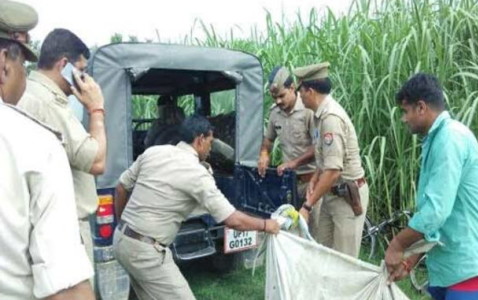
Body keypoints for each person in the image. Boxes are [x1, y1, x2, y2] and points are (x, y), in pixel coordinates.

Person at [113, 115, 280, 300]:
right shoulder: (197, 173)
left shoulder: (153, 152)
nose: (210, 148)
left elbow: (121, 188)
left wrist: (123, 222)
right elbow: (232, 220)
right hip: (146, 252)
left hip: (121, 239)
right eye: (210, 141)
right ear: (200, 139)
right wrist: (266, 225)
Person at [0, 1, 94, 299]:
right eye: (21, 65)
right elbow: (97, 161)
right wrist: (98, 108)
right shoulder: (34, 138)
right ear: (4, 62)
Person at [384, 73, 478, 300]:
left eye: (405, 112)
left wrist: (397, 245)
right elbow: (437, 215)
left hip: (468, 267)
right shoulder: (436, 139)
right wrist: (412, 257)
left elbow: (436, 212)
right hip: (450, 265)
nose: (404, 119)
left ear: (421, 107)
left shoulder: (450, 139)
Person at [17, 28, 107, 271]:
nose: (85, 80)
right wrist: (96, 109)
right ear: (64, 65)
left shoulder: (30, 92)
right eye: (82, 71)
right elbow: (97, 162)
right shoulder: (47, 102)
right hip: (65, 228)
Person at [294, 62, 369, 258]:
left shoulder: (331, 118)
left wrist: (307, 205)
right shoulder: (319, 115)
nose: (298, 95)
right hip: (332, 194)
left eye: (299, 90)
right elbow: (325, 159)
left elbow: (334, 170)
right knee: (323, 252)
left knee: (344, 260)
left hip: (347, 197)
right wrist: (314, 178)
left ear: (309, 91)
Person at [257, 66, 319, 235]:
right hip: (289, 184)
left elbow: (318, 148)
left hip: (311, 181)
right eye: (274, 97)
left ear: (292, 88)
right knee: (291, 231)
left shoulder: (308, 111)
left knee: (314, 231)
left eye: (281, 96)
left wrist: (294, 163)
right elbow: (268, 140)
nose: (278, 101)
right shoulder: (275, 113)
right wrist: (264, 154)